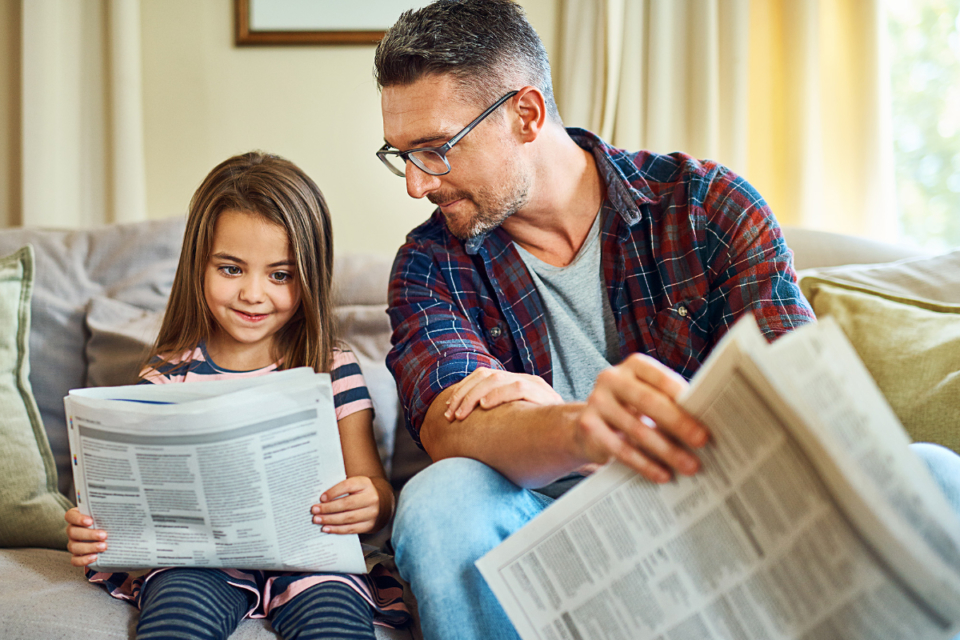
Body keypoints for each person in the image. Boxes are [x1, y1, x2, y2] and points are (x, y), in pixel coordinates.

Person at [372, 1, 960, 639]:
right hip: (549, 544)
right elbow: (451, 427)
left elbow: (797, 403)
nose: (414, 183)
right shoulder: (430, 262)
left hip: (727, 521)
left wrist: (645, 429)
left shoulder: (706, 206)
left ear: (526, 114)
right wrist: (578, 429)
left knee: (936, 474)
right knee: (439, 501)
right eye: (400, 155)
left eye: (434, 150)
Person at [63, 152, 409, 640]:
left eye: (280, 275)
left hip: (313, 556)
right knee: (174, 618)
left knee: (335, 623)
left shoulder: (331, 366)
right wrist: (94, 531)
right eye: (230, 269)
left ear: (308, 276)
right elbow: (131, 508)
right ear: (198, 266)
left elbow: (374, 487)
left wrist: (373, 502)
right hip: (200, 562)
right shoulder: (167, 377)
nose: (253, 293)